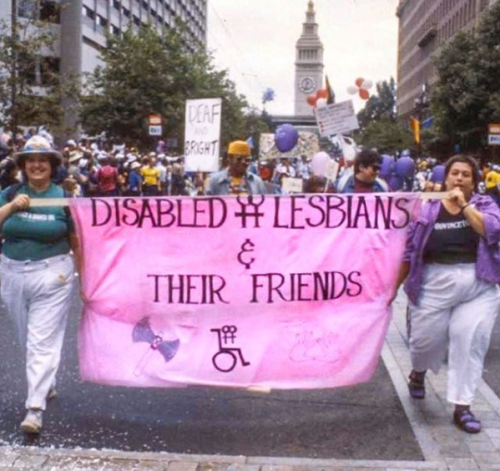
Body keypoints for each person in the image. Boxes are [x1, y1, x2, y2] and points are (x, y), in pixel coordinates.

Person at [390, 155, 500, 434]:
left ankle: (462, 406)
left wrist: (464, 206)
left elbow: (490, 230)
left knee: (470, 340)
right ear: (446, 177)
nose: (460, 178)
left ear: (474, 181)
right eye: (455, 173)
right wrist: (393, 289)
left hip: (478, 286)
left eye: (466, 174)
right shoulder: (426, 210)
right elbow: (408, 251)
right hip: (434, 283)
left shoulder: (485, 205)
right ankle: (419, 372)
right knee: (425, 342)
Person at [0, 136, 81, 434]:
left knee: (40, 340)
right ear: (23, 166)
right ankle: (45, 382)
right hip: (11, 272)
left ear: (51, 167)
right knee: (26, 336)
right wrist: (11, 208)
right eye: (31, 160)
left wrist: (86, 281)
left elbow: (76, 241)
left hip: (53, 274)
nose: (36, 165)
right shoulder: (8, 193)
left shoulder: (64, 198)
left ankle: (34, 408)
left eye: (42, 161)